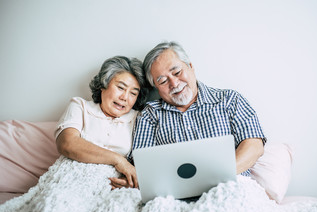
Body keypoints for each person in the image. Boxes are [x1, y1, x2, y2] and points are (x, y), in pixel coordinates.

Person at [110, 41, 267, 188]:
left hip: (229, 186)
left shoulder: (229, 100)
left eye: (177, 72)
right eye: (163, 81)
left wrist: (216, 177)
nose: (174, 83)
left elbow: (254, 145)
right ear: (156, 88)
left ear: (191, 66)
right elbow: (143, 164)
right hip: (173, 193)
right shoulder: (150, 114)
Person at [55, 56, 148, 189]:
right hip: (69, 179)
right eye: (121, 88)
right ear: (103, 85)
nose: (125, 97)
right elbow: (66, 144)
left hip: (112, 187)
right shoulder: (80, 106)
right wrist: (118, 160)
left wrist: (131, 181)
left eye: (133, 93)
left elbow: (143, 166)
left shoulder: (139, 118)